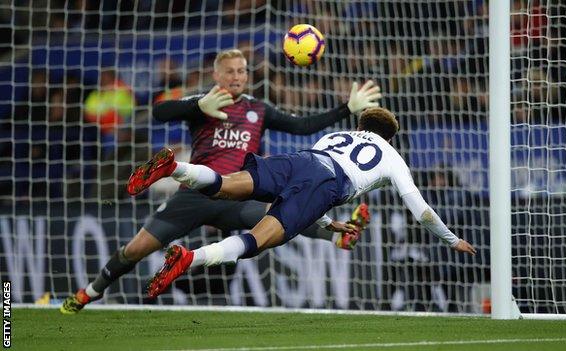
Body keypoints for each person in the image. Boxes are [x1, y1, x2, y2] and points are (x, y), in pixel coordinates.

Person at [60, 49, 381, 314]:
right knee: (134, 250)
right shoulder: (203, 103)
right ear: (217, 75)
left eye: (241, 71)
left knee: (281, 211)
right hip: (194, 198)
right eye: (230, 71)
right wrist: (197, 105)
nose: (237, 76)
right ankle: (91, 291)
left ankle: (338, 238)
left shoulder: (258, 109)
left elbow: (301, 127)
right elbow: (159, 112)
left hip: (239, 196)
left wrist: (345, 109)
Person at [138, 107, 477, 298]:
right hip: (327, 182)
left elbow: (304, 184)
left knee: (226, 185)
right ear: (389, 138)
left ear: (359, 126)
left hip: (300, 160)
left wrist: (329, 223)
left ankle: (176, 168)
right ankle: (189, 258)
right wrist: (452, 240)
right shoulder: (393, 158)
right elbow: (424, 212)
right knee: (257, 240)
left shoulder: (336, 136)